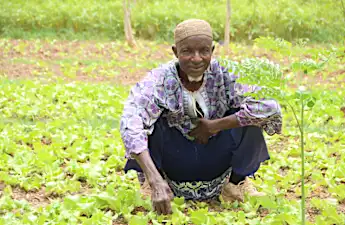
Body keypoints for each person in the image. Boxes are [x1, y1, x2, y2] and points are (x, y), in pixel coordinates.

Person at [120, 19, 282, 215]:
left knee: (249, 118)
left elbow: (269, 106)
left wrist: (216, 125)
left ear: (212, 51)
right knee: (149, 120)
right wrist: (155, 180)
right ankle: (151, 186)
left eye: (204, 51)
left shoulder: (225, 73)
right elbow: (131, 121)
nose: (196, 59)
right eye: (187, 51)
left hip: (216, 159)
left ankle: (235, 184)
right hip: (173, 164)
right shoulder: (160, 80)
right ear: (175, 52)